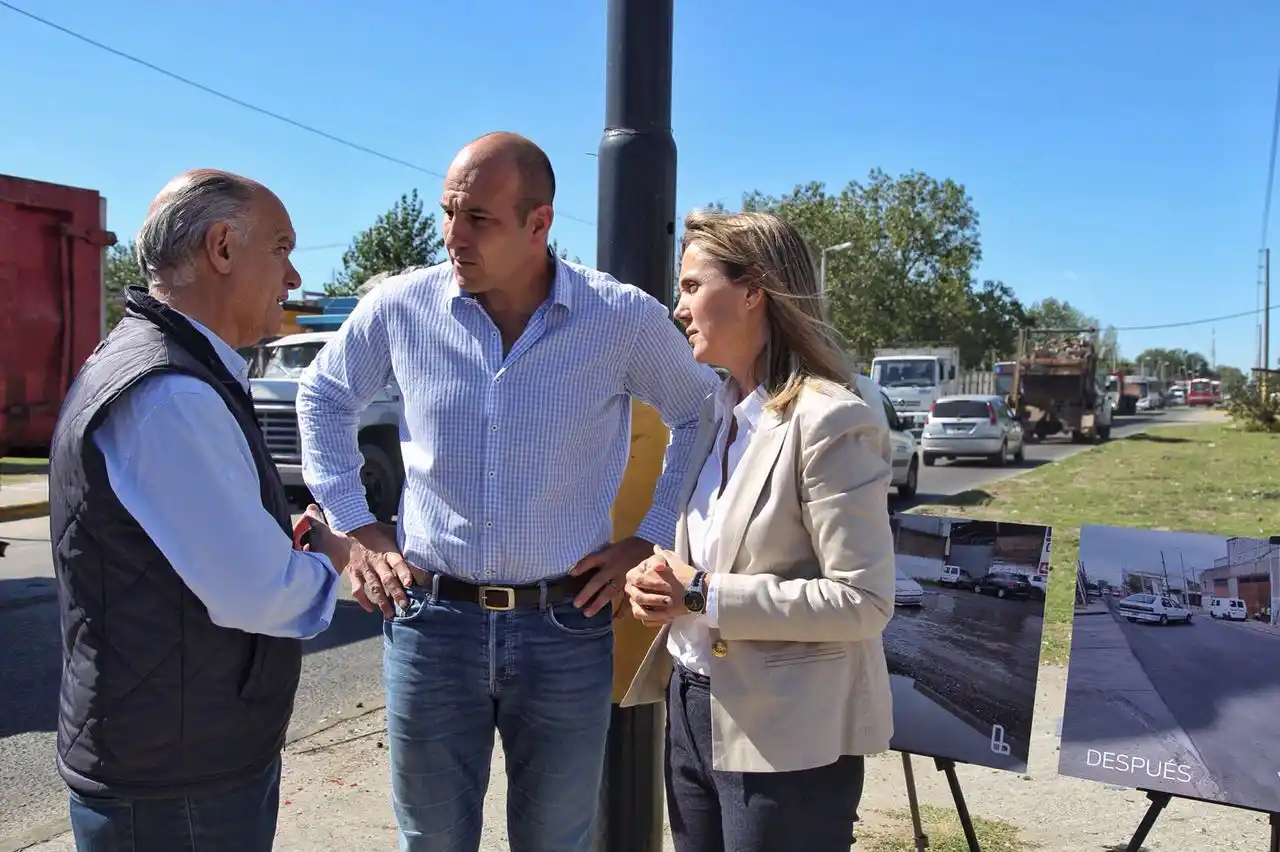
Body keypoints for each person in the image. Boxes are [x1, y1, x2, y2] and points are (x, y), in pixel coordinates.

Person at [295, 131, 720, 852]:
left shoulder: (618, 317)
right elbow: (323, 395)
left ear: (538, 223)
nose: (453, 235)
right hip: (431, 623)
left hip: (565, 628)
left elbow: (699, 408)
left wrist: (651, 535)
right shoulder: (402, 307)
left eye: (478, 218)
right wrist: (357, 526)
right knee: (432, 841)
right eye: (448, 212)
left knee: (556, 842)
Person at [47, 170, 351, 852]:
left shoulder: (163, 368)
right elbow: (256, 592)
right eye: (281, 248)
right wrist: (337, 562)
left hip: (174, 758)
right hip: (176, 782)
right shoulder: (170, 395)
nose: (295, 276)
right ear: (222, 247)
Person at [620, 209, 897, 852]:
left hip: (787, 739)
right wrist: (659, 579)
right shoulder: (714, 414)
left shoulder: (832, 420)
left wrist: (701, 593)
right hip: (690, 707)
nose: (678, 308)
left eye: (692, 286)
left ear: (753, 292)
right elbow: (706, 554)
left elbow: (863, 600)